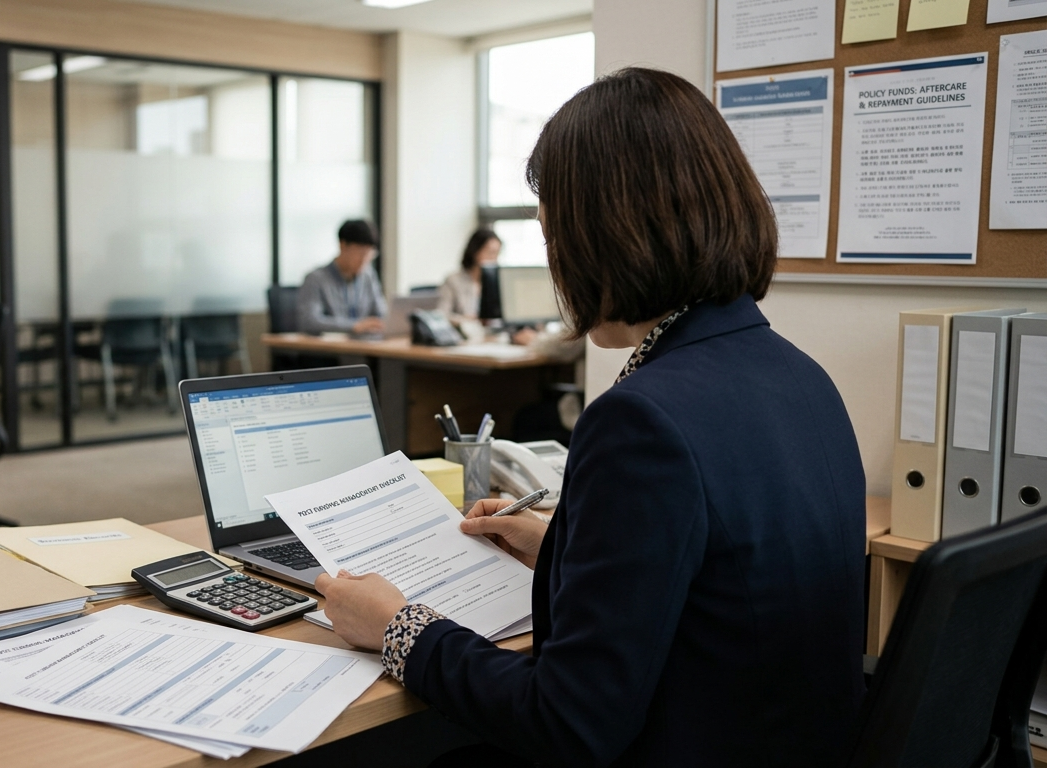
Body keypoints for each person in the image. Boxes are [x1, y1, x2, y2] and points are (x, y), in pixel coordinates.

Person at [314, 68, 865, 767]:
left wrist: (399, 628)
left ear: (605, 234)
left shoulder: (642, 421)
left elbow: (568, 723)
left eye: (553, 235)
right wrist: (567, 547)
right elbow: (725, 582)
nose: (555, 264)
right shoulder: (798, 375)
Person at [297, 219, 387, 335]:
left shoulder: (368, 276)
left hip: (364, 346)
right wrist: (354, 326)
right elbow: (310, 321)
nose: (364, 260)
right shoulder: (315, 279)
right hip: (329, 350)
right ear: (343, 245)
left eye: (369, 255)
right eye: (360, 253)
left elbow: (381, 314)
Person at [436, 229, 501, 320]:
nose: (494, 259)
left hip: (493, 332)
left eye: (497, 254)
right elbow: (441, 315)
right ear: (475, 252)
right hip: (464, 330)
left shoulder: (498, 282)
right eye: (490, 253)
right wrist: (466, 319)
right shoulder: (453, 280)